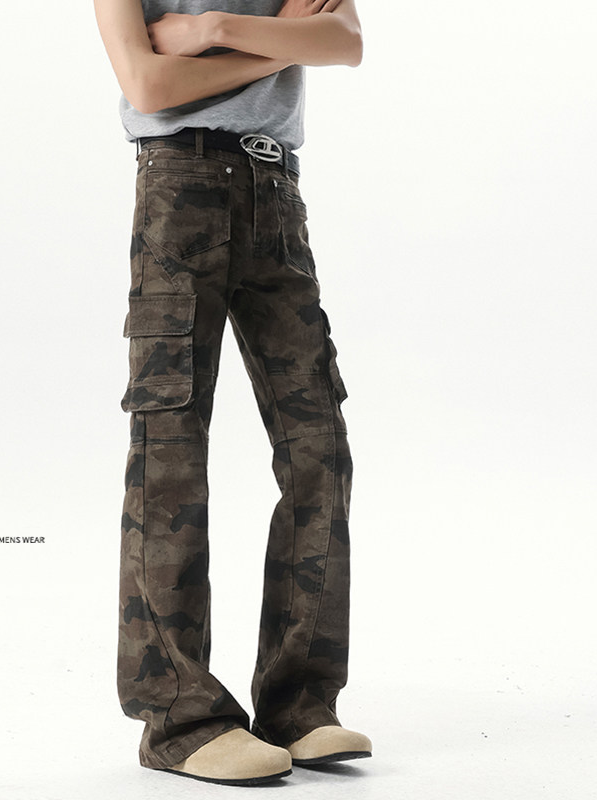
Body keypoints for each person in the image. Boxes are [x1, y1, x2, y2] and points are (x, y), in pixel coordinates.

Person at [93, 0, 370, 786]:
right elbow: (148, 85)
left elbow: (345, 41)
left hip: (276, 192)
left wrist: (212, 32)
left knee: (320, 450)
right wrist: (284, 43)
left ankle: (299, 703)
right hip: (178, 189)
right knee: (170, 453)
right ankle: (180, 718)